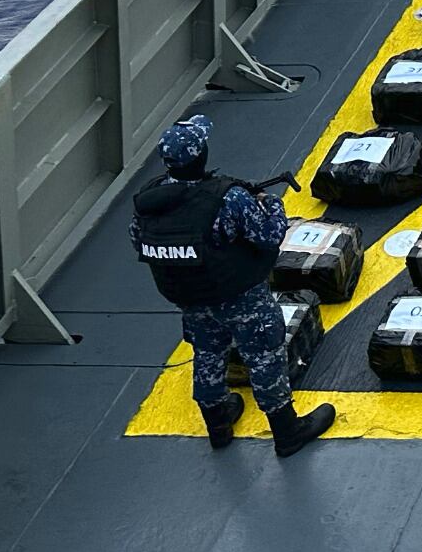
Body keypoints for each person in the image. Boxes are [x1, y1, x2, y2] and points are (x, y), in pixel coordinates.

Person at [130, 114, 336, 457]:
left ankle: (218, 424)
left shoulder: (149, 200)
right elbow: (269, 236)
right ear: (201, 156)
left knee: (208, 355)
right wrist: (273, 204)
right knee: (264, 356)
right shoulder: (228, 198)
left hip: (190, 297)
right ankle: (287, 432)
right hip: (239, 296)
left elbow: (140, 242)